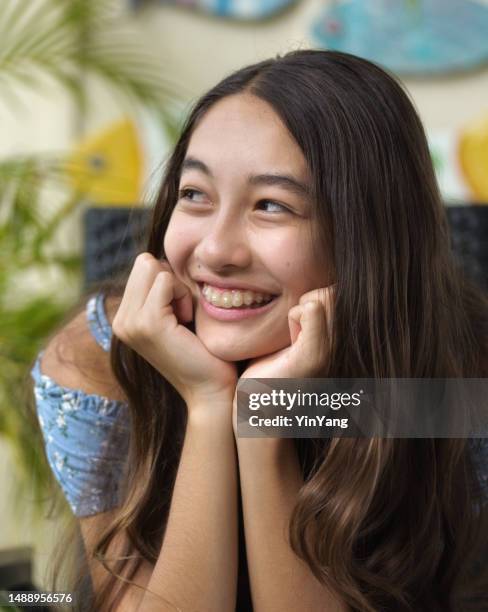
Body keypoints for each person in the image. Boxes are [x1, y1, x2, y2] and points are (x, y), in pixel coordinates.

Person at [30, 49, 488, 612]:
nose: (216, 251)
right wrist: (206, 403)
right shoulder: (99, 360)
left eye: (271, 205)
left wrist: (268, 416)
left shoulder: (454, 376)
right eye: (194, 195)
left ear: (369, 237)